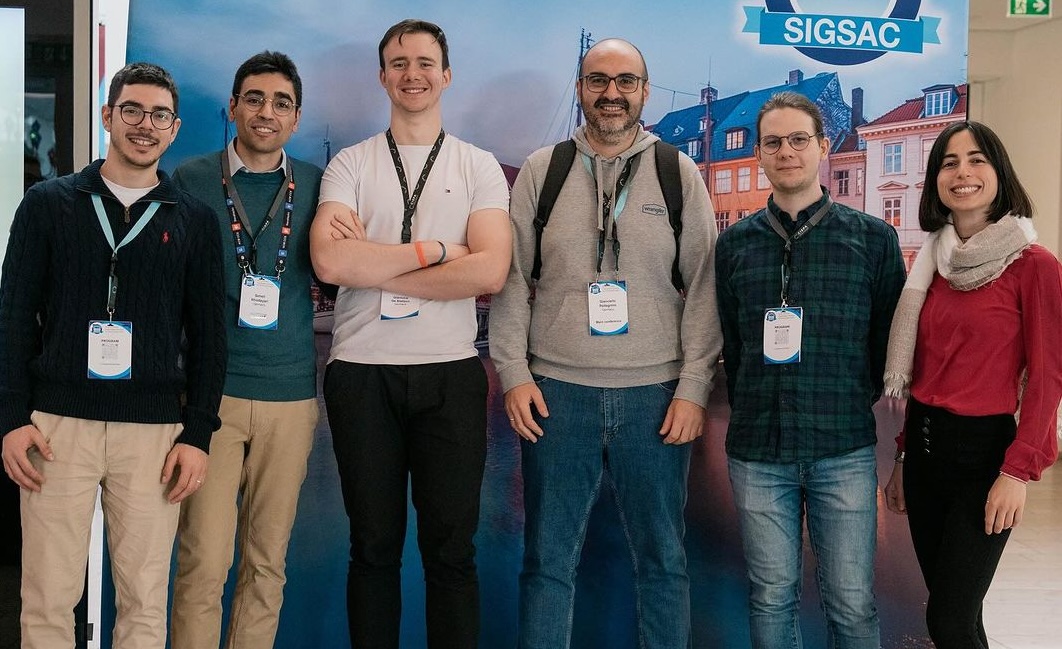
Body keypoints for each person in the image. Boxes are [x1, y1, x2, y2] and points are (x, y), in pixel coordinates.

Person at [489, 38, 720, 648]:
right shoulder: (543, 170)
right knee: (546, 562)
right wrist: (513, 372)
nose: (611, 94)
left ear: (644, 90)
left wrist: (694, 387)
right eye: (597, 80)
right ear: (579, 88)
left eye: (625, 81)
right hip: (556, 398)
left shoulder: (677, 171)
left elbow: (703, 285)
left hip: (656, 397)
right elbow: (511, 280)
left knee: (664, 562)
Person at [0, 62, 226, 649]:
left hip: (153, 435)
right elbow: (14, 319)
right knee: (47, 599)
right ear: (108, 116)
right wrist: (12, 420)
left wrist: (197, 434)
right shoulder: (48, 204)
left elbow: (209, 337)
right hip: (57, 428)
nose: (144, 125)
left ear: (174, 129)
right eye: (131, 110)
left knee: (145, 603)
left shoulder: (195, 220)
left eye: (158, 115)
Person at [309, 19, 511, 648]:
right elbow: (331, 264)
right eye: (399, 63)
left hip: (449, 376)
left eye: (425, 62)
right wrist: (438, 251)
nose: (413, 73)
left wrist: (379, 265)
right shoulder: (350, 163)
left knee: (451, 553)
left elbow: (491, 270)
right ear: (382, 76)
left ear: (445, 75)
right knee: (372, 550)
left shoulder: (476, 165)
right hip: (360, 375)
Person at [715, 91, 906, 649]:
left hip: (841, 447)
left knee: (851, 602)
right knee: (771, 596)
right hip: (757, 451)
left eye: (799, 139)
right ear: (759, 154)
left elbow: (886, 347)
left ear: (823, 147)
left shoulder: (874, 240)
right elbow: (734, 340)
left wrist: (846, 397)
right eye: (773, 141)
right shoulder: (733, 245)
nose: (786, 151)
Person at [883, 120, 1062, 649]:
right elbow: (926, 373)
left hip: (984, 459)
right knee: (957, 612)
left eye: (977, 159)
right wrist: (901, 457)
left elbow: (1049, 377)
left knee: (949, 619)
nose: (963, 172)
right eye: (949, 162)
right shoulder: (931, 265)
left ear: (999, 172)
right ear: (935, 180)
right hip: (924, 455)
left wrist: (1019, 471)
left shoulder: (1035, 266)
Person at [168, 51, 322, 649]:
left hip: (291, 399)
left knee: (266, 564)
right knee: (203, 562)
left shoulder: (315, 183)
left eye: (281, 102)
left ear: (296, 117)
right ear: (233, 107)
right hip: (211, 398)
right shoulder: (192, 179)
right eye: (254, 98)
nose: (266, 112)